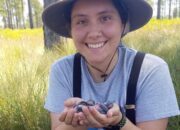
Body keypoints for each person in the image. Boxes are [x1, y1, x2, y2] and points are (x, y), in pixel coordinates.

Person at [42, 0, 180, 130]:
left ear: (123, 24)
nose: (94, 33)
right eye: (82, 21)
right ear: (70, 29)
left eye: (105, 18)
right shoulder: (62, 70)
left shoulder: (151, 69)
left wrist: (119, 121)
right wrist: (79, 122)